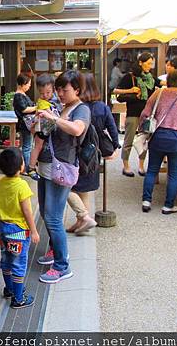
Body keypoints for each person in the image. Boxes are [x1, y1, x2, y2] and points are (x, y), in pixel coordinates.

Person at [35, 70, 90, 284]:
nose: (59, 93)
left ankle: (62, 266)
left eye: (64, 89)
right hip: (47, 168)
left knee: (53, 218)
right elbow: (48, 132)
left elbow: (77, 129)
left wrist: (53, 118)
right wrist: (38, 123)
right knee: (46, 213)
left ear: (76, 89)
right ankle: (53, 250)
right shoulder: (62, 107)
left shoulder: (81, 109)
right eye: (57, 89)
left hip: (62, 169)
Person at [66, 74, 120, 234]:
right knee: (85, 190)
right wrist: (115, 146)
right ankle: (82, 221)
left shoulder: (78, 107)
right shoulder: (102, 107)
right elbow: (112, 128)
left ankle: (82, 219)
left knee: (70, 186)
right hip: (93, 154)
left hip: (75, 152)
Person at [0, 147, 40, 309]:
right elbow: (27, 211)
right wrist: (34, 230)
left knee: (6, 260)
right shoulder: (22, 186)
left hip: (4, 230)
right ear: (21, 166)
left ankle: (9, 289)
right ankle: (18, 298)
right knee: (19, 264)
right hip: (19, 232)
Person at [140, 69, 177, 214]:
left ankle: (146, 201)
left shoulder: (158, 93)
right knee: (174, 173)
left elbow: (145, 114)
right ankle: (168, 206)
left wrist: (142, 129)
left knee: (152, 169)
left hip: (158, 136)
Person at [113, 52, 156, 177]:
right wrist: (131, 91)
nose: (150, 66)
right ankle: (126, 166)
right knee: (128, 141)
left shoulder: (151, 78)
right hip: (133, 113)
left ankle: (141, 166)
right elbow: (116, 91)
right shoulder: (129, 77)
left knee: (143, 141)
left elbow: (162, 84)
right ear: (141, 63)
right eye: (148, 63)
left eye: (151, 64)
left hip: (146, 115)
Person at [28, 73, 62, 178]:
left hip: (47, 128)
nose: (45, 95)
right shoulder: (42, 102)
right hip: (43, 129)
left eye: (48, 92)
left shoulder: (54, 99)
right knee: (38, 146)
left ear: (54, 89)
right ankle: (31, 167)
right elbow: (50, 114)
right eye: (42, 93)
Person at [12, 73, 36, 177]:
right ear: (22, 84)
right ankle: (26, 168)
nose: (29, 86)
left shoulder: (22, 95)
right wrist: (37, 108)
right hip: (25, 124)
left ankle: (24, 166)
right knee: (27, 147)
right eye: (28, 84)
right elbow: (24, 109)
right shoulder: (18, 96)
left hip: (26, 123)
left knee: (26, 146)